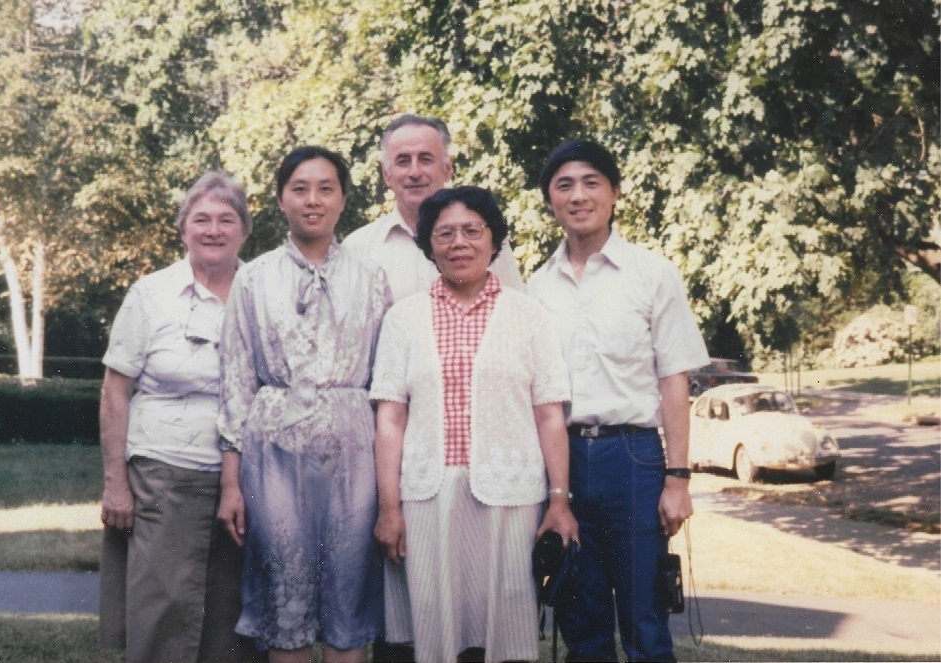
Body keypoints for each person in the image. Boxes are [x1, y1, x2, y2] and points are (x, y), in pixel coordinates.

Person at [370, 185, 579, 663]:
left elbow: (549, 413)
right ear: (429, 245)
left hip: (509, 497)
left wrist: (559, 501)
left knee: (505, 632)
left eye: (471, 231)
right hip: (427, 497)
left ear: (493, 240)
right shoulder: (403, 319)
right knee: (434, 632)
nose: (458, 243)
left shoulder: (529, 316)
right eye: (445, 234)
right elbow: (390, 417)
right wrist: (389, 509)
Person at [527, 139, 710, 663]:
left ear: (615, 193)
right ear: (551, 201)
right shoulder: (538, 288)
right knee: (580, 621)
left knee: (644, 620)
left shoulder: (652, 274)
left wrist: (678, 479)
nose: (578, 196)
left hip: (632, 459)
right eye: (564, 185)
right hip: (563, 465)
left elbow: (674, 380)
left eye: (591, 183)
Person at [216, 146, 391, 663]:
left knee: (348, 596)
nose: (312, 200)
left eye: (325, 188)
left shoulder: (371, 277)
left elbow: (388, 382)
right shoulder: (253, 278)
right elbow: (236, 379)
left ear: (342, 199)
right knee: (284, 597)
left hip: (354, 449)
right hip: (272, 454)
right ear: (280, 200)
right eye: (300, 189)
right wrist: (231, 482)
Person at [98, 171, 260, 663]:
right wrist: (115, 484)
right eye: (201, 219)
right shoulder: (151, 294)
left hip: (250, 476)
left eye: (226, 220)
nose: (213, 230)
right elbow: (114, 393)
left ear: (245, 229)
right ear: (183, 228)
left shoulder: (262, 290)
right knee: (163, 609)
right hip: (165, 473)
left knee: (233, 618)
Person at [342, 113, 523, 301]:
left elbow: (516, 311)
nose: (414, 172)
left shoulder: (484, 240)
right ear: (387, 174)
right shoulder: (359, 248)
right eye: (403, 161)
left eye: (425, 159)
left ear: (447, 168)